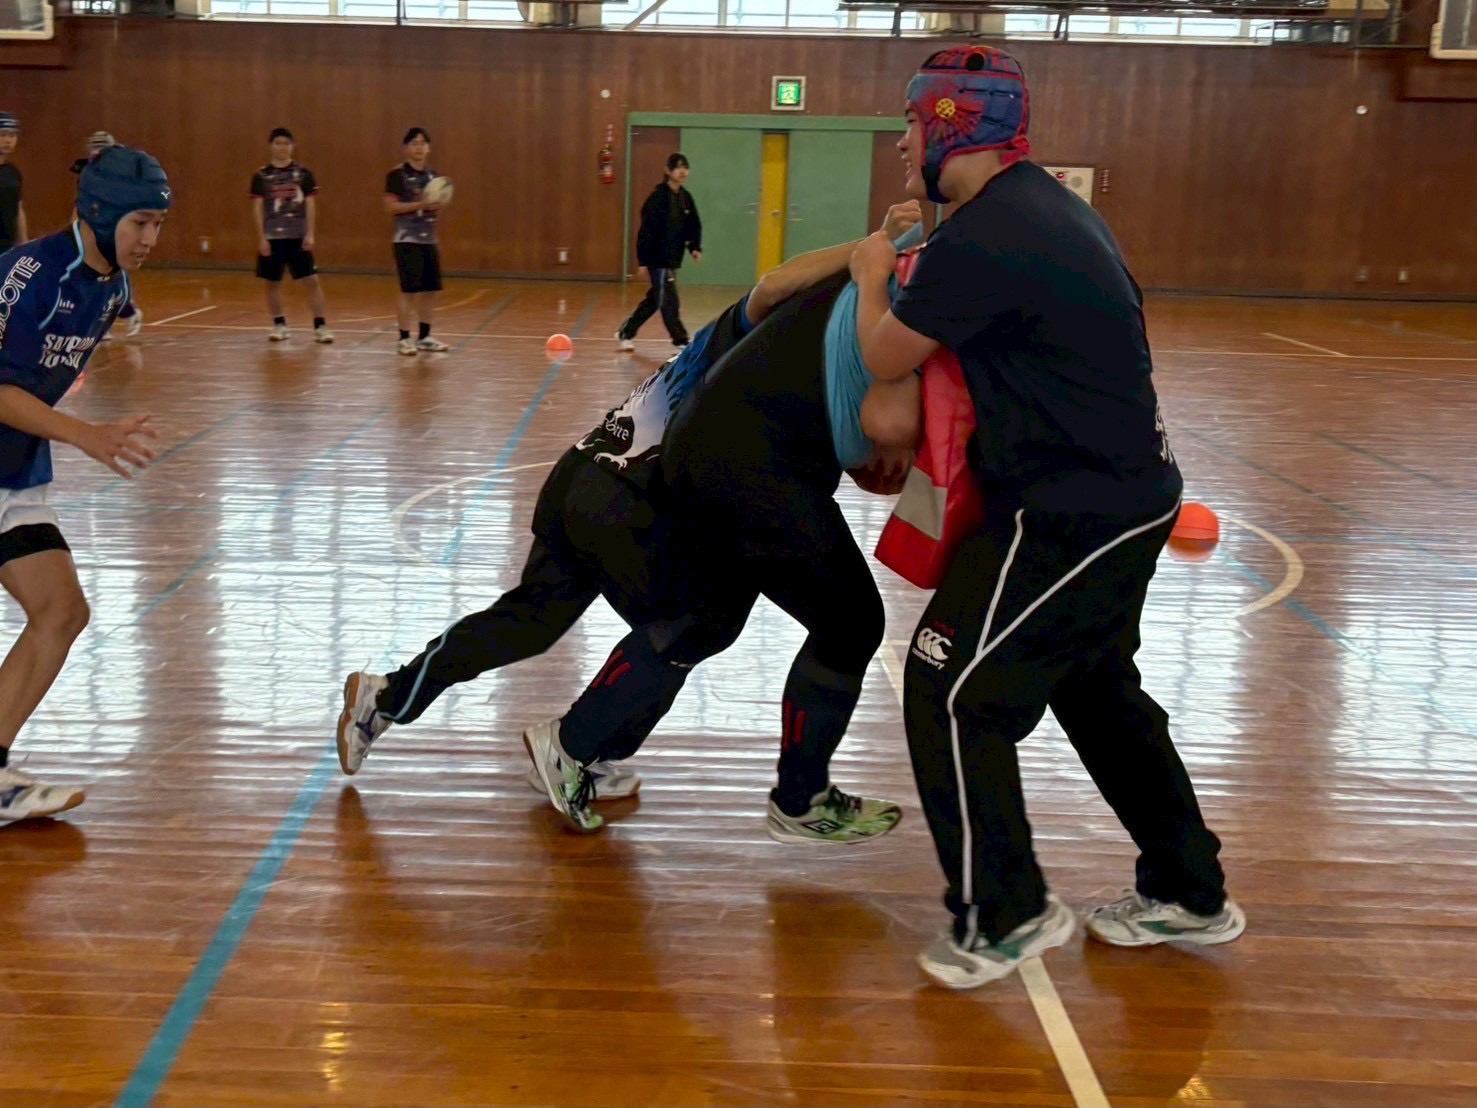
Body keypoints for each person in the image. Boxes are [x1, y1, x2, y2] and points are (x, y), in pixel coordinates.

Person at [849, 45, 1244, 990]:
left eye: (911, 123)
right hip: (1124, 496)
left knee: (948, 688)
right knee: (1096, 693)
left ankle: (1004, 911)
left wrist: (868, 273)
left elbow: (884, 357)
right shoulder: (1047, 208)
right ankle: (1188, 890)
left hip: (1072, 511)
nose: (901, 143)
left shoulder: (987, 234)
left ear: (953, 126)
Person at [337, 209, 921, 816]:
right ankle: (573, 748)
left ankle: (387, 696)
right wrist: (875, 252)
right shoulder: (761, 371)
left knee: (530, 618)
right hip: (628, 498)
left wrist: (867, 246)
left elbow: (775, 281)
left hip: (580, 474)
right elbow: (785, 298)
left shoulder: (735, 329)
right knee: (692, 624)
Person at [523, 220, 930, 842]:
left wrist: (869, 256)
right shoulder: (924, 285)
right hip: (756, 458)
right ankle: (800, 799)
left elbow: (776, 285)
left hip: (711, 440)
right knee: (851, 624)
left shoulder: (888, 259)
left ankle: (572, 743)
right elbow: (888, 423)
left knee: (705, 617)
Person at [0, 145, 170, 822]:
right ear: (98, 215)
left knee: (62, 610)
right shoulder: (28, 277)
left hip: (14, 475)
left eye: (158, 224)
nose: (150, 238)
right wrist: (85, 435)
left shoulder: (114, 289)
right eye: (139, 224)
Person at [251, 127, 333, 344]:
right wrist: (261, 238)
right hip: (272, 237)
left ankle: (321, 326)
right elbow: (257, 208)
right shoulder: (261, 176)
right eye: (278, 143)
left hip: (298, 236)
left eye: (286, 143)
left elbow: (310, 205)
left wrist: (310, 234)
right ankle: (279, 325)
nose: (282, 147)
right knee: (272, 282)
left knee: (312, 281)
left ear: (292, 146)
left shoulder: (303, 174)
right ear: (271, 146)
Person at [616, 153, 700, 352]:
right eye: (678, 167)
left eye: (685, 167)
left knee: (655, 299)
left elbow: (693, 225)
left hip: (673, 259)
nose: (682, 171)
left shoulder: (685, 198)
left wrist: (694, 247)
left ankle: (626, 332)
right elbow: (646, 231)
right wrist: (643, 261)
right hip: (657, 259)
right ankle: (680, 340)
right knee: (669, 299)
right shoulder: (657, 198)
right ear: (667, 171)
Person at [71, 132, 145, 340]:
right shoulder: (86, 174)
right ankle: (107, 320)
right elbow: (79, 204)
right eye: (95, 148)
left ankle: (127, 311)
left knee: (110, 274)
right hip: (91, 230)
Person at [384, 127, 449, 356]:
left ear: (428, 148)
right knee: (409, 290)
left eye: (423, 143)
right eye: (414, 143)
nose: (419, 147)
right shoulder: (397, 175)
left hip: (429, 240)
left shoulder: (433, 177)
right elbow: (390, 207)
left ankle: (424, 337)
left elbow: (435, 208)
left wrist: (437, 206)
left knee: (430, 289)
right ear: (406, 148)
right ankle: (404, 338)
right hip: (406, 239)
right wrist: (420, 205)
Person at [0, 113, 28, 257]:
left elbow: (18, 208)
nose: (8, 140)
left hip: (7, 247)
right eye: (3, 135)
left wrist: (23, 242)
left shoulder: (12, 172)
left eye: (12, 135)